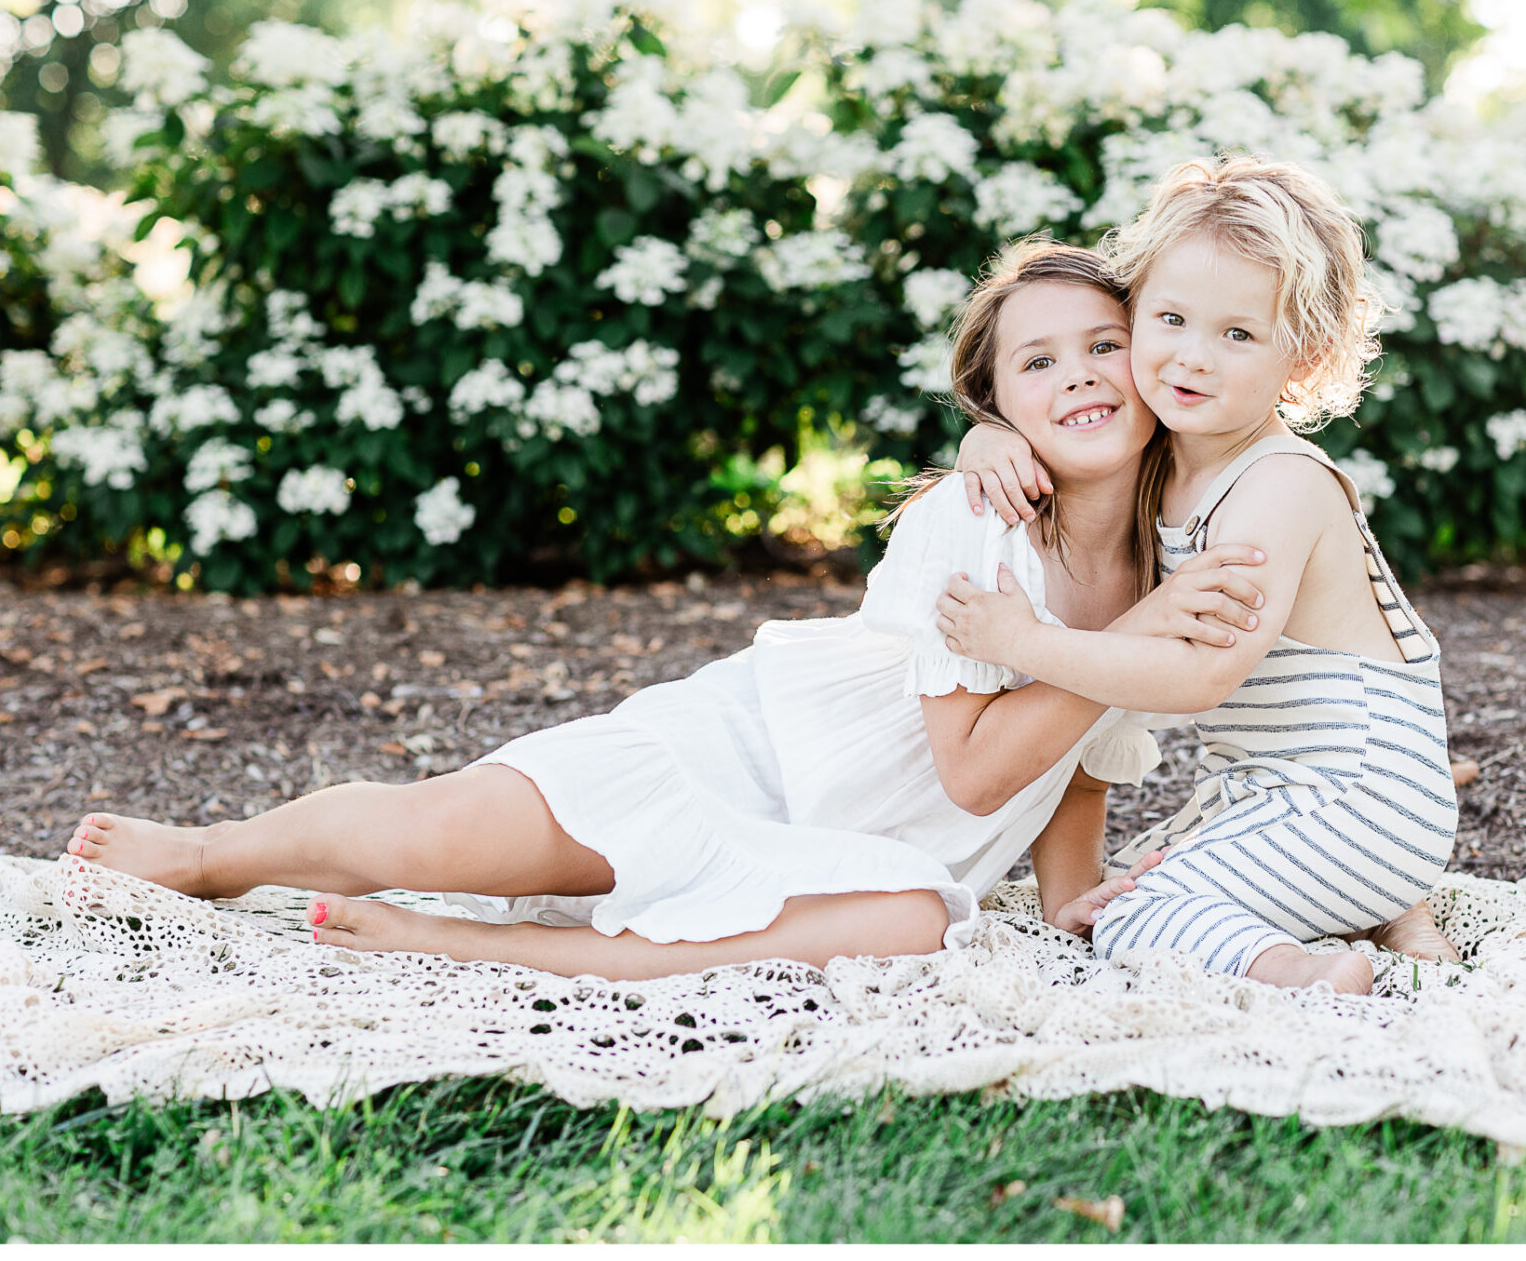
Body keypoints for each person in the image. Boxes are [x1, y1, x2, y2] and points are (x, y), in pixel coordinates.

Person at [63, 241, 1272, 981]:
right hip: (735, 762)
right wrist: (1123, 646)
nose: (1078, 378)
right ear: (997, 400)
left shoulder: (1170, 553)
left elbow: (1079, 761)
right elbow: (971, 773)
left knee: (913, 926)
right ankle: (217, 856)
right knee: (430, 836)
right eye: (1037, 363)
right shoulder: (976, 521)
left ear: (1155, 362)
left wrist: (1072, 893)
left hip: (866, 864)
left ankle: (487, 948)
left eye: (1103, 345)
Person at [942, 156, 1461, 996]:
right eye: (1171, 319)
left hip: (1358, 793)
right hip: (1277, 792)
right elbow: (1066, 426)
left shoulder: (1278, 485)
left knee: (1132, 916)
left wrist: (1025, 641)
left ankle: (1303, 969)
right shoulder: (1163, 458)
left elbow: (1198, 674)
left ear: (1306, 356)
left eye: (1238, 334)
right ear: (1134, 311)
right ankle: (1391, 907)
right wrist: (987, 438)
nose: (1193, 358)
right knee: (1135, 877)